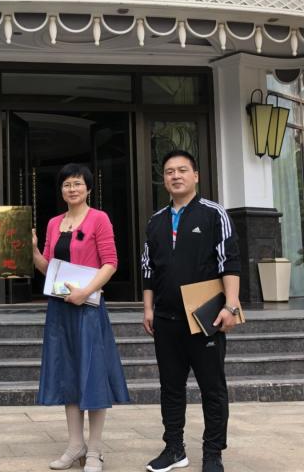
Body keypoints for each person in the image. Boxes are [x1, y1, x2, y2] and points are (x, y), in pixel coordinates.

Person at [141, 150, 241, 472]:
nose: (176, 175)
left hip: (205, 317)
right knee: (171, 388)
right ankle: (174, 449)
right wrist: (148, 308)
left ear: (196, 176)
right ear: (164, 179)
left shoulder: (213, 213)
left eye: (182, 170)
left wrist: (231, 306)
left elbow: (229, 262)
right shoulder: (155, 221)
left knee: (213, 388)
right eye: (169, 171)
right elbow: (148, 268)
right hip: (166, 319)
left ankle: (213, 453)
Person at [32, 163, 130, 472]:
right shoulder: (54, 224)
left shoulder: (99, 219)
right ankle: (75, 445)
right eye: (66, 184)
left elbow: (111, 262)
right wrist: (33, 252)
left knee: (93, 375)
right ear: (61, 190)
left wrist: (85, 291)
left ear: (88, 188)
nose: (72, 189)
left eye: (77, 183)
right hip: (60, 310)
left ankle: (95, 450)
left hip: (88, 308)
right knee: (69, 375)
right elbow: (49, 267)